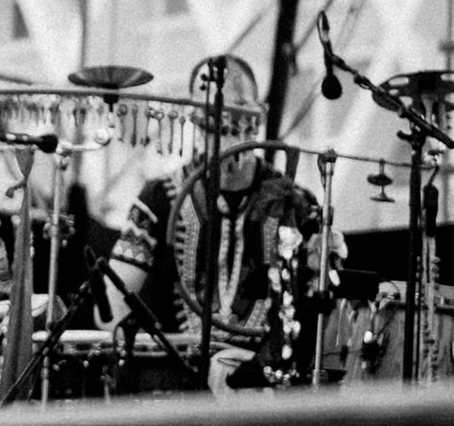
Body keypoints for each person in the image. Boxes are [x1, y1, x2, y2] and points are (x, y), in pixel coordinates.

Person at [104, 56, 340, 386]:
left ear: (260, 115)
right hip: (179, 384)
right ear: (194, 117)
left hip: (265, 387)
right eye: (213, 118)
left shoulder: (296, 203)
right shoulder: (158, 196)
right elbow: (115, 305)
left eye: (238, 112)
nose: (225, 128)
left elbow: (328, 309)